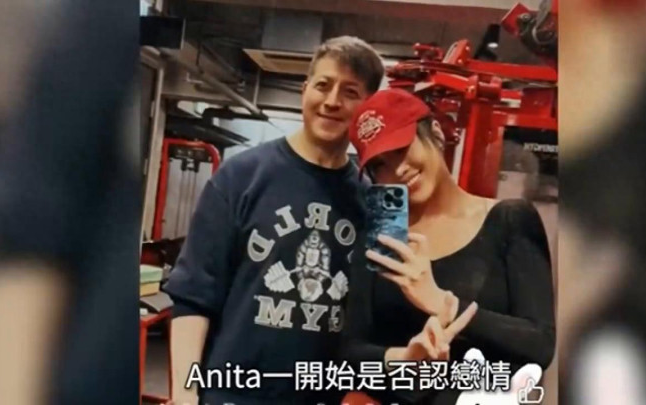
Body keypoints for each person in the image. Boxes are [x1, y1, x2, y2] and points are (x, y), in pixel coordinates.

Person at [161, 36, 384, 405]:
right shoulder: (241, 177)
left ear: (368, 107)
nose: (332, 101)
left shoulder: (370, 200)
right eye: (323, 85)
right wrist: (185, 396)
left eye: (350, 92)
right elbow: (194, 296)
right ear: (304, 89)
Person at [341, 89, 556, 404]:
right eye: (381, 165)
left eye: (402, 149)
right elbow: (351, 353)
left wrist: (444, 304)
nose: (398, 170)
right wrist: (403, 358)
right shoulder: (381, 241)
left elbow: (540, 344)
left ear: (436, 133)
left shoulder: (510, 220)